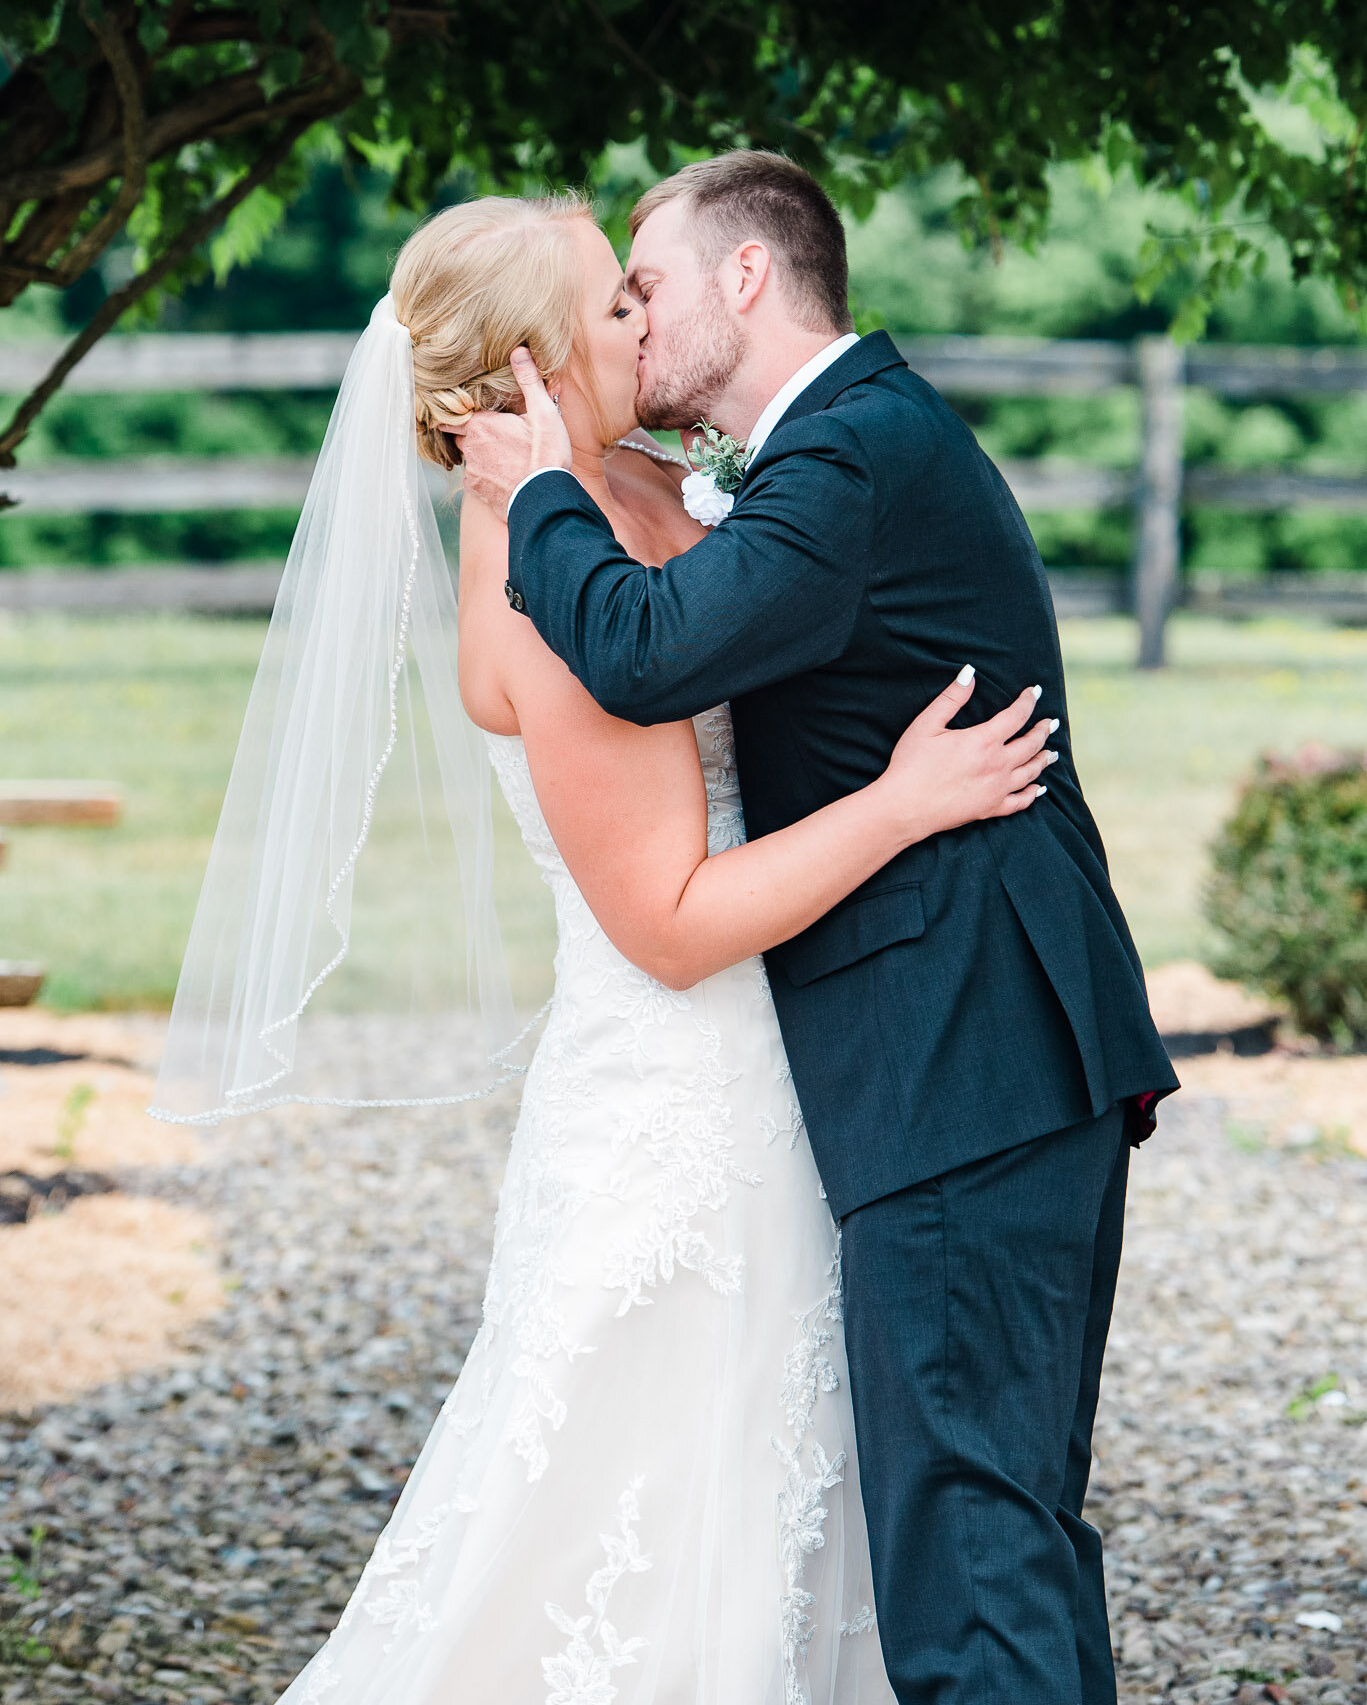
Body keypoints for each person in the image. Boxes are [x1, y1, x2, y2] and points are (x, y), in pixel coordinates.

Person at [185, 193, 1055, 1705]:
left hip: (801, 1065)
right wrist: (905, 805)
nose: (643, 325)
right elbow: (668, 922)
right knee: (655, 1518)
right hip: (689, 1106)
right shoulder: (534, 575)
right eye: (612, 308)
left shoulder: (648, 483)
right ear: (526, 371)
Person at [454, 153, 1180, 1705]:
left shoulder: (845, 459)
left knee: (978, 1557)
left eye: (647, 290)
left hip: (960, 1057)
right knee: (1007, 1529)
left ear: (745, 281)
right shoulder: (847, 445)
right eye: (612, 308)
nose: (636, 330)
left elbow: (648, 656)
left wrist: (540, 497)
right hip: (990, 1051)